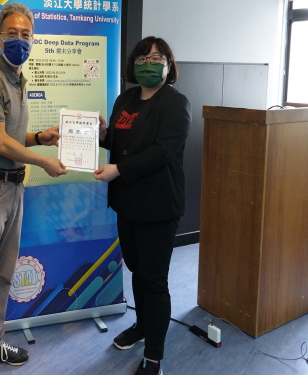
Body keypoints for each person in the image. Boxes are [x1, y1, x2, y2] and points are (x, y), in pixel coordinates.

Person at [0, 2, 68, 375]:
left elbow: (10, 135)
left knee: (5, 274)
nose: (19, 40)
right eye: (12, 33)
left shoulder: (18, 80)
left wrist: (39, 137)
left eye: (26, 34)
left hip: (12, 188)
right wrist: (43, 161)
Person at [94, 36, 191, 375]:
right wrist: (102, 134)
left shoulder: (175, 103)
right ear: (133, 64)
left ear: (168, 64)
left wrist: (118, 170)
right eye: (143, 57)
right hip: (127, 202)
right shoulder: (126, 98)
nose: (149, 62)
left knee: (154, 280)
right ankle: (142, 326)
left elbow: (163, 151)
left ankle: (154, 356)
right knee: (136, 269)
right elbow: (118, 141)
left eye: (157, 57)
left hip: (158, 206)